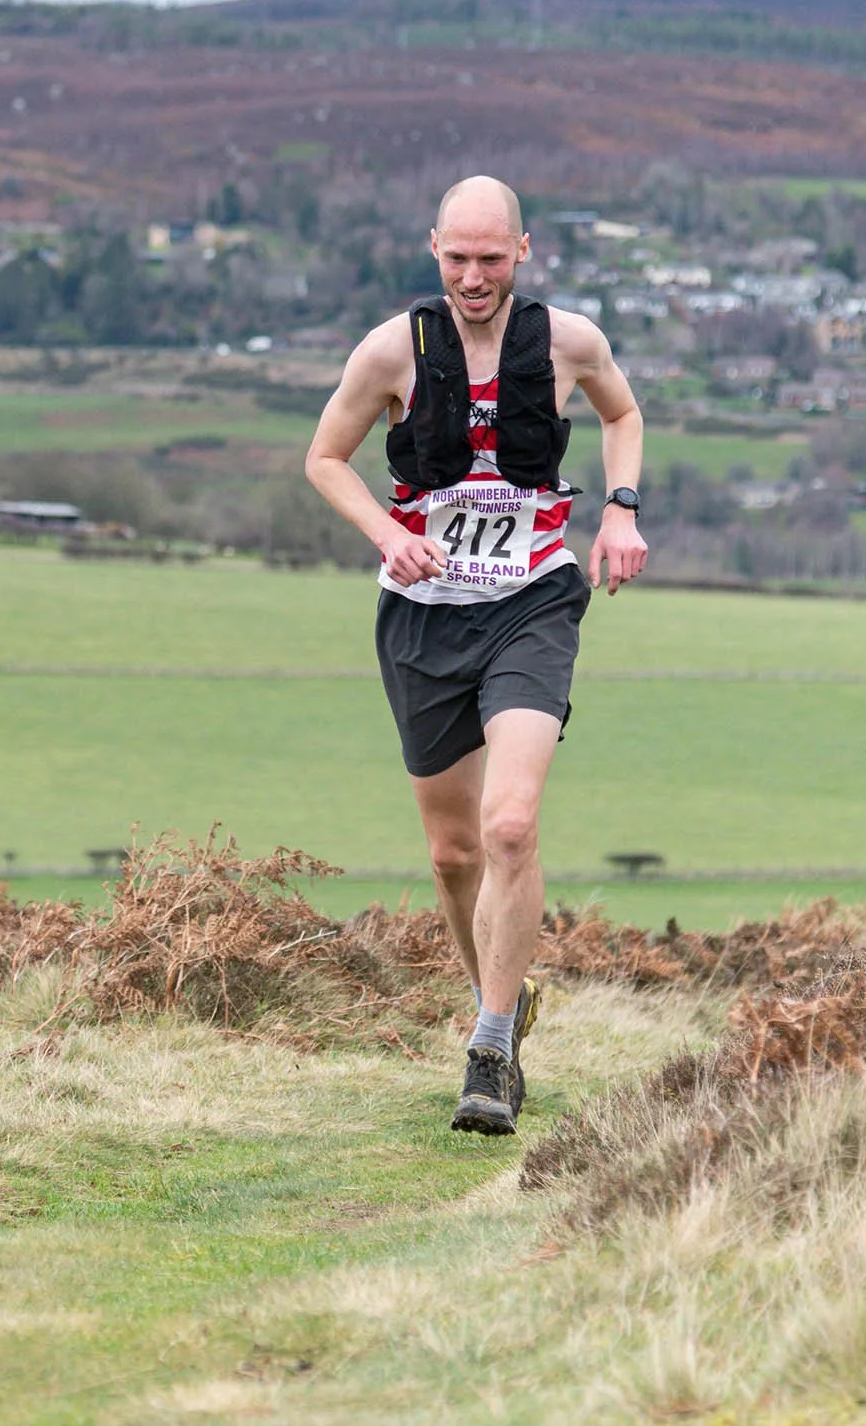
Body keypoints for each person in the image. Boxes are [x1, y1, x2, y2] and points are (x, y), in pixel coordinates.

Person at [304, 174, 647, 1134]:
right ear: (434, 249)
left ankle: (490, 1046)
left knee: (508, 826)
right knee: (454, 854)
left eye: (491, 258)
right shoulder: (390, 351)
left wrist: (620, 510)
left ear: (523, 252)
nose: (473, 276)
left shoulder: (570, 342)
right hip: (424, 617)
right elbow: (323, 458)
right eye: (457, 257)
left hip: (532, 603)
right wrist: (386, 534)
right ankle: (499, 1003)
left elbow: (623, 415)